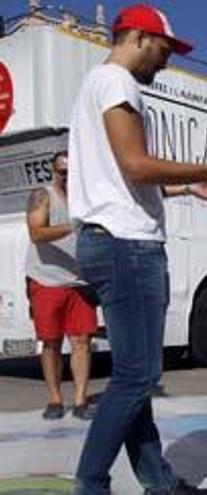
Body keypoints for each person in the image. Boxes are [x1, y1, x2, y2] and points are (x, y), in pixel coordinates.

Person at [67, 4, 207, 494]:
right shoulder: (118, 81)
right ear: (140, 38)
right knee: (138, 375)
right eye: (165, 51)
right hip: (127, 245)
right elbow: (137, 166)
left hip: (109, 238)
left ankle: (159, 483)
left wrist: (187, 190)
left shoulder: (94, 85)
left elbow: (120, 177)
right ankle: (90, 484)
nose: (167, 63)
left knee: (134, 378)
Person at [25, 150, 98, 421]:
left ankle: (80, 401)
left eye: (71, 172)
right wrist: (71, 226)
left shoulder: (85, 199)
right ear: (53, 171)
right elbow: (36, 233)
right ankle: (55, 399)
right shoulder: (43, 196)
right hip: (46, 280)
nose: (67, 178)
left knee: (82, 341)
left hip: (79, 282)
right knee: (51, 342)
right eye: (62, 173)